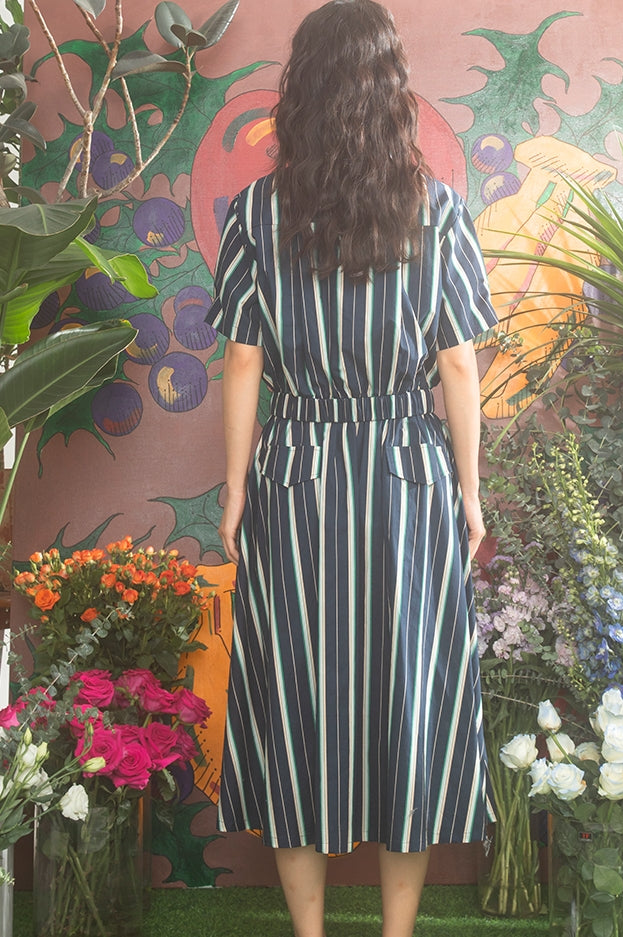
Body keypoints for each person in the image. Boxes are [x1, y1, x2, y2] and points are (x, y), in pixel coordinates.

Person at [206, 2, 498, 935]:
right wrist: (468, 491)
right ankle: (397, 930)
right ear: (388, 90)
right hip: (409, 475)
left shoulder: (256, 212)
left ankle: (309, 932)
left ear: (302, 91)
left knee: (300, 697)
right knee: (405, 695)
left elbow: (243, 358)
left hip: (296, 470)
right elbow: (458, 364)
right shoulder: (437, 210)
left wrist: (235, 489)